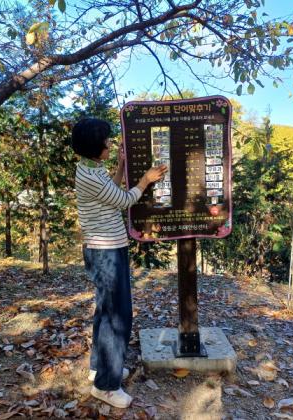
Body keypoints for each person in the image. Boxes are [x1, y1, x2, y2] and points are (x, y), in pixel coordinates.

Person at [71, 117, 167, 409]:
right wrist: (146, 180)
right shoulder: (90, 175)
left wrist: (121, 167)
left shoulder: (89, 169)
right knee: (118, 317)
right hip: (107, 252)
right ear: (95, 145)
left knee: (105, 311)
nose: (110, 144)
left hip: (103, 250)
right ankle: (107, 386)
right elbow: (125, 200)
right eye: (107, 141)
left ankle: (100, 367)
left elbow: (109, 195)